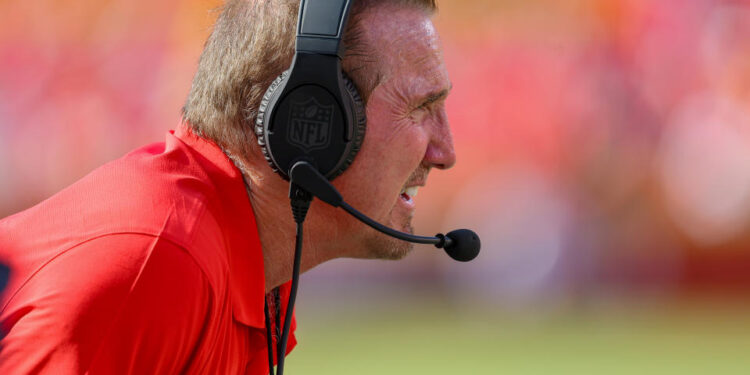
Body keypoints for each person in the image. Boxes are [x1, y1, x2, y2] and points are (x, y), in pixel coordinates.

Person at [0, 0, 455, 373]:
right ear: (310, 119)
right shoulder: (154, 267)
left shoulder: (247, 276)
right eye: (420, 107)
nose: (445, 151)